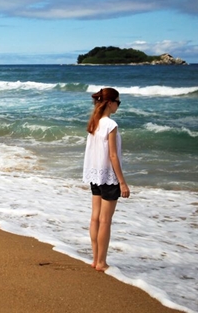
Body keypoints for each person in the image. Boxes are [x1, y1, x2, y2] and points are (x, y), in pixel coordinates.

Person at [82, 87, 130, 272]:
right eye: (118, 101)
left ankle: (95, 260)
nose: (118, 105)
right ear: (110, 103)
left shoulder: (94, 123)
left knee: (95, 218)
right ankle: (101, 262)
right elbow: (113, 156)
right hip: (108, 177)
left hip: (95, 175)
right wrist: (122, 182)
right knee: (105, 220)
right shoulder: (111, 125)